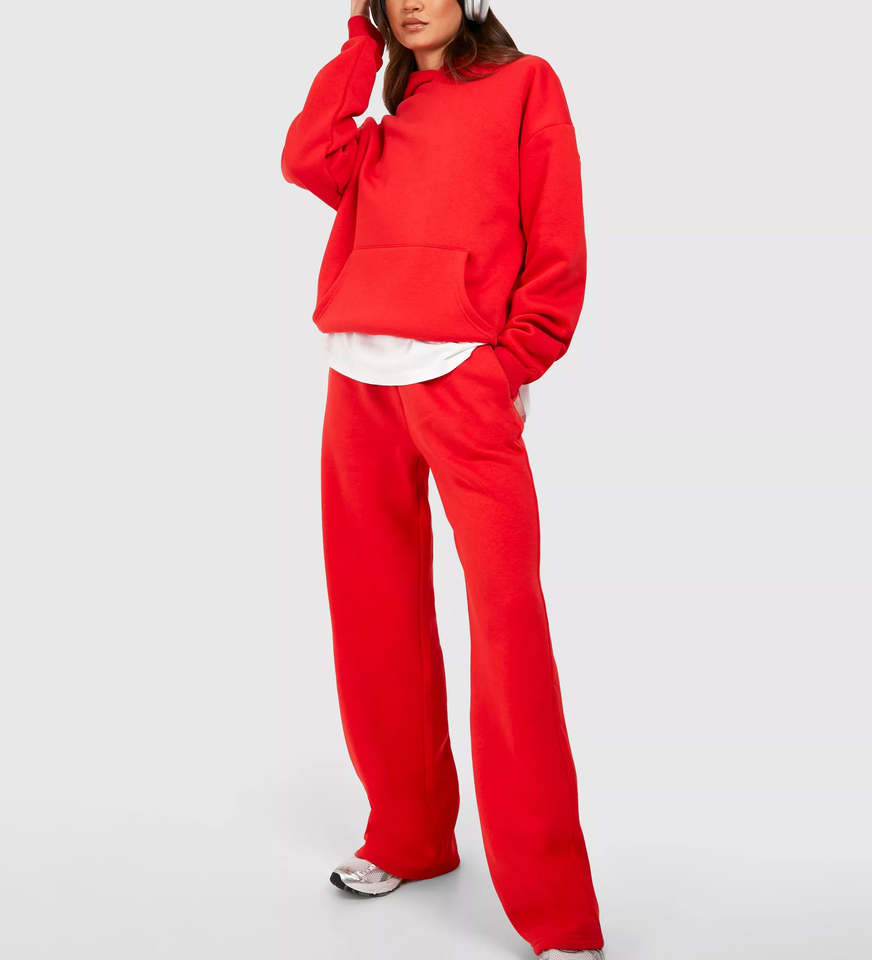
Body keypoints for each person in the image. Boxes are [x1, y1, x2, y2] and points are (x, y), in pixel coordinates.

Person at [280, 2, 604, 957]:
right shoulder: (386, 122)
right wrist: (358, 45)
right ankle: (410, 836)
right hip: (358, 373)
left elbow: (558, 237)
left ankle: (557, 912)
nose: (411, 1)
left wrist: (511, 363)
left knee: (506, 625)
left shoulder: (524, 85)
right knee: (374, 613)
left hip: (463, 377)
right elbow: (305, 157)